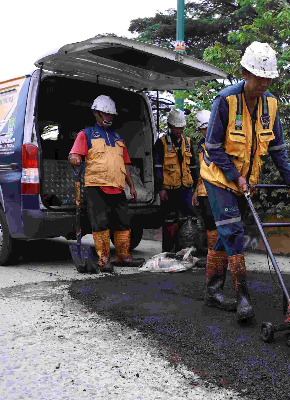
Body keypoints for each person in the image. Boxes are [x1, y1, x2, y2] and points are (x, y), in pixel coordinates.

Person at [200, 42, 290, 321]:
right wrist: (236, 177)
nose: (264, 84)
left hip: (247, 181)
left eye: (268, 78)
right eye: (259, 78)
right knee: (232, 231)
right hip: (219, 178)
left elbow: (277, 148)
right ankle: (243, 295)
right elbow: (213, 146)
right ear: (245, 73)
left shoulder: (271, 104)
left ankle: (212, 290)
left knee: (227, 232)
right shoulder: (226, 100)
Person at [68, 95, 145, 272]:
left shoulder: (118, 137)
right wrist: (74, 159)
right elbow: (74, 154)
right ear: (96, 113)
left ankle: (123, 256)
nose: (109, 118)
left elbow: (125, 164)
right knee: (100, 223)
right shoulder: (85, 134)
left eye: (111, 115)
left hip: (117, 186)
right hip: (96, 186)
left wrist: (131, 186)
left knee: (124, 222)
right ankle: (104, 260)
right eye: (106, 114)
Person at [192, 110, 237, 310]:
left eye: (207, 127)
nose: (205, 131)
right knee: (211, 227)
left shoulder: (222, 143)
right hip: (204, 192)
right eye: (202, 129)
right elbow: (201, 171)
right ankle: (214, 265)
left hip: (221, 191)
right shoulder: (200, 147)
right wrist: (195, 191)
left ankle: (221, 264)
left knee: (224, 229)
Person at [153, 108, 200, 253]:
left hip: (186, 188)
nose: (179, 130)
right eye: (176, 127)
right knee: (169, 220)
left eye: (181, 127)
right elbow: (157, 168)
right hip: (168, 189)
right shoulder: (160, 143)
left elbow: (193, 166)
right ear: (170, 126)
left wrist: (196, 189)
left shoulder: (188, 142)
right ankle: (168, 251)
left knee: (189, 218)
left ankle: (186, 250)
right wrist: (160, 188)